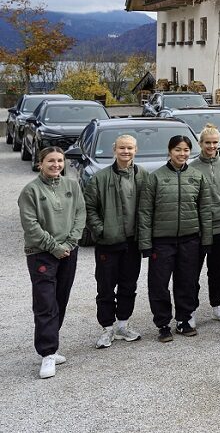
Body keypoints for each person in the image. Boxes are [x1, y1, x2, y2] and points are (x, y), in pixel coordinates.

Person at [138, 135, 214, 342]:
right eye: (178, 150)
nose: (182, 154)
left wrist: (206, 239)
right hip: (162, 242)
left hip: (190, 240)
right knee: (159, 284)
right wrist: (146, 243)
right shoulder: (155, 178)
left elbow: (205, 211)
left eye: (186, 150)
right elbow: (145, 212)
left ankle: (184, 320)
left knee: (187, 282)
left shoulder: (197, 177)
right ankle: (163, 323)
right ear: (169, 151)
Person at [21, 147, 84, 379]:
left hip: (68, 251)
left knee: (61, 298)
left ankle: (52, 343)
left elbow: (80, 214)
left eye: (59, 161)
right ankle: (47, 353)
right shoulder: (31, 191)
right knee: (45, 303)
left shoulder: (72, 185)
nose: (56, 164)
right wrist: (54, 247)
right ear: (40, 163)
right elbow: (31, 225)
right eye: (51, 161)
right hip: (42, 253)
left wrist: (70, 242)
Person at [84, 133, 148, 348]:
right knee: (105, 287)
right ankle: (107, 328)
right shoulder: (100, 178)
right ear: (114, 149)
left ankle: (123, 324)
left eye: (130, 148)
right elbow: (90, 208)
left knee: (129, 285)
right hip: (108, 243)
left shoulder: (143, 177)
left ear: (136, 150)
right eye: (122, 147)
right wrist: (101, 231)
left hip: (132, 242)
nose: (126, 151)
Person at [195, 125, 220, 324]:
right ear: (200, 143)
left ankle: (217, 305)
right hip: (198, 227)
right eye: (207, 142)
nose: (211, 146)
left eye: (214, 142)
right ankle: (189, 310)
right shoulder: (192, 167)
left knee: (218, 268)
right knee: (192, 270)